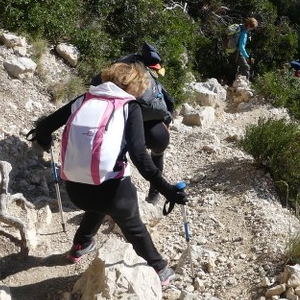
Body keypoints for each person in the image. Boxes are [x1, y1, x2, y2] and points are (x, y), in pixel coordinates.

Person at [30, 62, 185, 287]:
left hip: (75, 190)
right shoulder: (130, 107)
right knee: (132, 224)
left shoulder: (83, 99)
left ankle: (80, 246)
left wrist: (44, 140)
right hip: (113, 195)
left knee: (98, 202)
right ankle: (160, 268)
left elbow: (45, 126)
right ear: (135, 87)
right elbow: (141, 158)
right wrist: (168, 190)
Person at [92, 42, 174, 206]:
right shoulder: (150, 76)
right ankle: (154, 193)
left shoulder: (120, 71)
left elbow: (95, 84)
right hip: (158, 135)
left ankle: (108, 191)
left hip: (125, 127)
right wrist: (166, 123)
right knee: (156, 155)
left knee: (120, 154)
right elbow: (169, 102)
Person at [229, 17, 258, 84]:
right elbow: (241, 47)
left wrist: (247, 39)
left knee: (234, 67)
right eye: (252, 28)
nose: (252, 29)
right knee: (246, 68)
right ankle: (246, 85)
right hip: (237, 52)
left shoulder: (240, 27)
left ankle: (230, 84)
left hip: (231, 50)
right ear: (249, 26)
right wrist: (248, 57)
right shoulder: (244, 33)